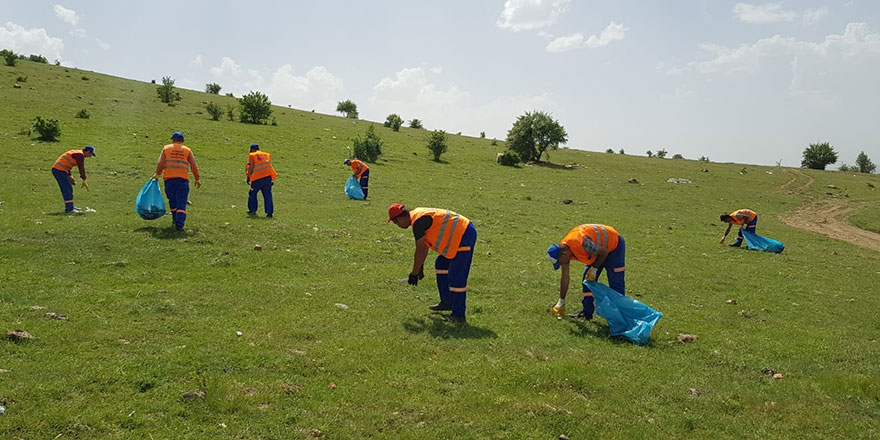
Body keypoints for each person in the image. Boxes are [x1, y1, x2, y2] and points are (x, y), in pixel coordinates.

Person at [388, 204, 477, 323]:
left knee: (457, 278)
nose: (398, 226)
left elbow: (420, 249)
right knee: (441, 264)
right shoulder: (416, 215)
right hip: (460, 232)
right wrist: (420, 267)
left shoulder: (418, 222)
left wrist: (414, 274)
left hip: (464, 234)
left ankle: (459, 315)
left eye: (396, 223)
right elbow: (424, 248)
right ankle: (447, 302)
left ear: (399, 219)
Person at [547, 224, 626, 319]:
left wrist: (594, 269)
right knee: (587, 281)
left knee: (616, 283)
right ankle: (586, 313)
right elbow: (565, 277)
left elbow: (604, 252)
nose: (561, 264)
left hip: (614, 246)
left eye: (560, 262)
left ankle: (620, 318)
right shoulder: (564, 251)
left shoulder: (582, 243)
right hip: (598, 251)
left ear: (564, 254)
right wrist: (561, 301)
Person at [154, 132, 200, 230]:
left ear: (173, 140)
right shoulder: (187, 150)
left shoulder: (166, 149)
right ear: (182, 141)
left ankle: (175, 219)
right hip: (182, 180)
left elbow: (160, 163)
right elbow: (194, 166)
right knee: (182, 202)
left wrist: (158, 174)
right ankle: (180, 223)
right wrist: (197, 178)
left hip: (169, 180)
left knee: (172, 200)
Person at [51, 145, 95, 214]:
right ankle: (69, 209)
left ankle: (71, 206)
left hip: (60, 170)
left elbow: (66, 163)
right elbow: (81, 167)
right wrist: (84, 178)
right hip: (59, 170)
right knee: (67, 189)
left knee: (68, 189)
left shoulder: (77, 152)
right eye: (91, 154)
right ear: (88, 151)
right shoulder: (80, 155)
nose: (91, 156)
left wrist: (69, 175)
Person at [245, 144, 277, 217]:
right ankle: (269, 213)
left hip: (257, 178)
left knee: (252, 193)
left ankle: (252, 210)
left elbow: (251, 167)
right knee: (267, 195)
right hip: (268, 178)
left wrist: (248, 177)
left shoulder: (252, 155)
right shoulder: (266, 155)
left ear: (252, 149)